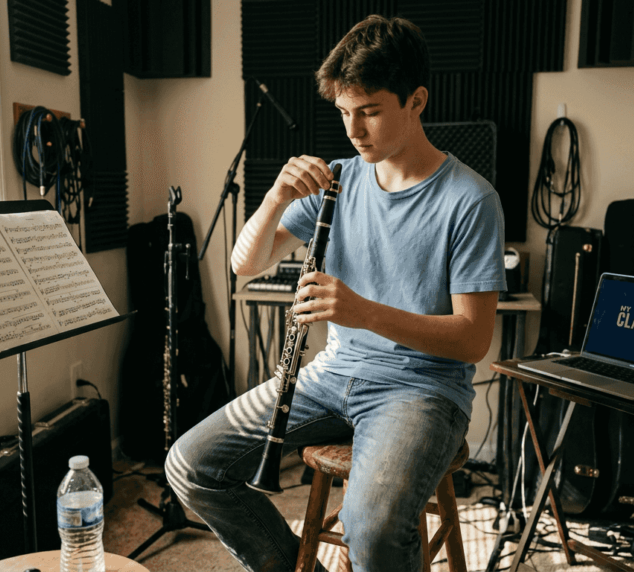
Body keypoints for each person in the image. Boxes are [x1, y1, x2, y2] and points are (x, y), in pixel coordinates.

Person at [166, 14, 506, 572]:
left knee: (370, 530)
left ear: (417, 101)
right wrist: (274, 198)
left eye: (369, 111)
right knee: (188, 465)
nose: (353, 129)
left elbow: (473, 340)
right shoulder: (339, 179)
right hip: (330, 377)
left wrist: (363, 312)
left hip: (421, 390)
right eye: (344, 112)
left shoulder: (471, 200)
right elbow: (244, 263)